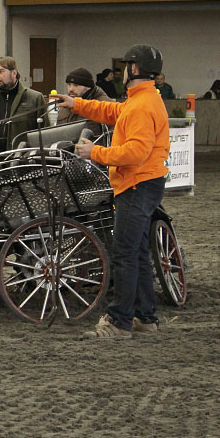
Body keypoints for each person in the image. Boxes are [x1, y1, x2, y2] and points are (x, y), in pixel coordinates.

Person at [54, 44, 170, 339]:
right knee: (138, 253)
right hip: (145, 183)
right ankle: (145, 318)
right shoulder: (143, 99)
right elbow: (114, 111)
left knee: (125, 254)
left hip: (136, 184)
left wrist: (96, 152)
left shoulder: (143, 105)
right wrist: (77, 104)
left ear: (133, 69)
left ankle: (120, 321)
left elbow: (136, 152)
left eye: (125, 66)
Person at [0, 56, 49, 150]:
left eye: (0, 71)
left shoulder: (34, 98)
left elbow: (45, 134)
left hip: (22, 159)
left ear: (14, 73)